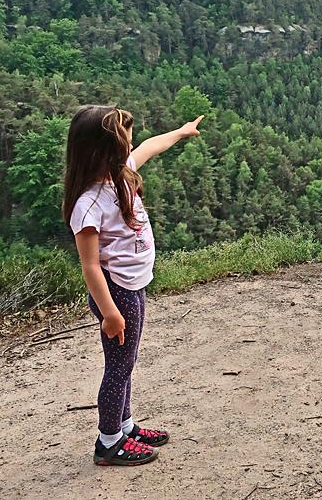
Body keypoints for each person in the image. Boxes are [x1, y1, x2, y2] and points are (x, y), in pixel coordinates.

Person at [62, 105, 203, 466]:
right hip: (117, 292)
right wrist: (109, 312)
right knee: (119, 367)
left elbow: (151, 147)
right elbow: (90, 266)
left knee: (126, 361)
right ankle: (108, 442)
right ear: (101, 149)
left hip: (131, 287)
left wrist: (182, 131)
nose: (131, 143)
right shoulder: (88, 203)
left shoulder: (121, 177)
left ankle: (124, 426)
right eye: (124, 138)